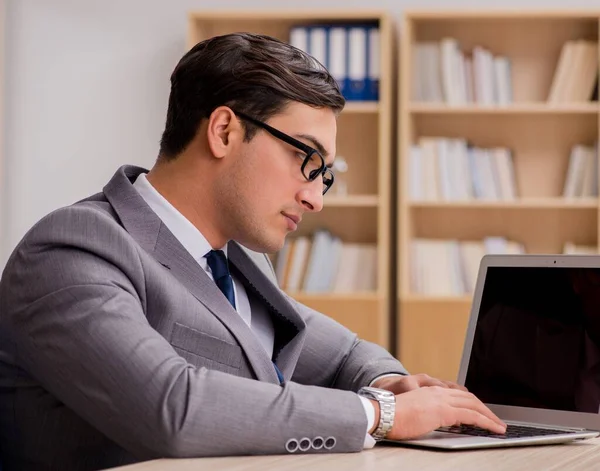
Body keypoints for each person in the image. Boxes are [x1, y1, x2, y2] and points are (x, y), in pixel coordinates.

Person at [0, 32, 505, 470]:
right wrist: (380, 415)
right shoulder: (71, 250)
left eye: (324, 174)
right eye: (306, 159)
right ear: (224, 131)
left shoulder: (235, 264)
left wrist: (392, 383)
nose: (316, 197)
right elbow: (172, 407)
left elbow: (347, 356)